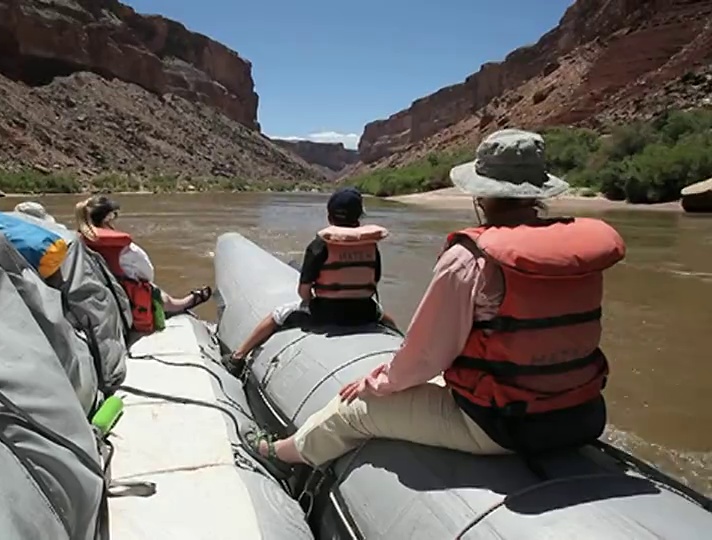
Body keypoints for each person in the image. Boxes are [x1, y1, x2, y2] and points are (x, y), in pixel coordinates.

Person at [239, 128, 627, 475]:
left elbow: (424, 357)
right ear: (540, 193)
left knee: (353, 409)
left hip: (501, 426)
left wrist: (376, 383)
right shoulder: (577, 256)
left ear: (480, 192)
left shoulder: (470, 258)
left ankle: (278, 454)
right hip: (583, 415)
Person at [223, 187, 398, 378]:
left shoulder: (320, 245)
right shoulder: (370, 246)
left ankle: (237, 358)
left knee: (276, 317)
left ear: (330, 217)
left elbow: (303, 290)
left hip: (325, 313)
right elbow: (375, 279)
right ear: (359, 218)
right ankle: (403, 343)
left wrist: (310, 300)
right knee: (388, 319)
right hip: (365, 312)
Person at [75, 195, 212, 332]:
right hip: (127, 299)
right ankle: (178, 305)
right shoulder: (125, 248)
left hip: (103, 293)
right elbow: (148, 273)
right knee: (150, 288)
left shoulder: (79, 241)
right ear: (108, 218)